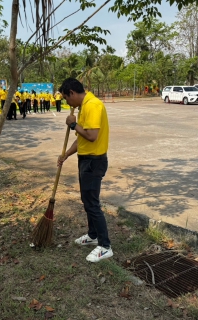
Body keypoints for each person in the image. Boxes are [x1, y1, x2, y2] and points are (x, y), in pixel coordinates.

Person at [57, 78, 112, 263]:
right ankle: (93, 235)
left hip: (94, 161)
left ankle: (105, 246)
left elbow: (92, 136)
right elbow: (81, 139)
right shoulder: (84, 107)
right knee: (87, 200)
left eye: (66, 98)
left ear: (72, 93)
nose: (67, 103)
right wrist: (66, 154)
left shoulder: (93, 105)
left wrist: (73, 124)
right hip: (85, 159)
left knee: (92, 204)